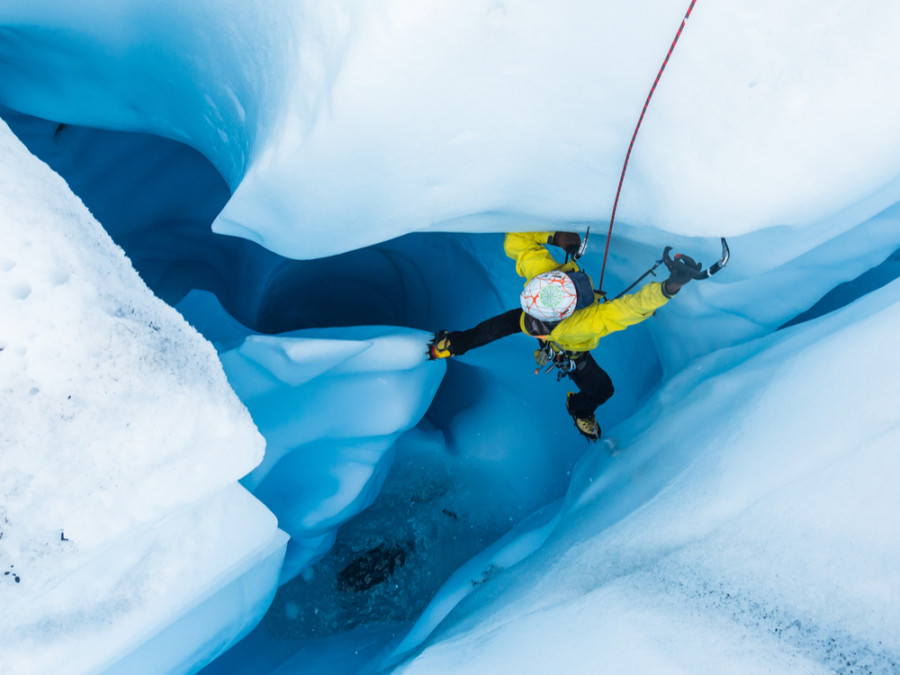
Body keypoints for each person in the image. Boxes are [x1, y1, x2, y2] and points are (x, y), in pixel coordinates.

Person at [427, 231, 699, 440]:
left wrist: (669, 287)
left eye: (539, 324)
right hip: (555, 332)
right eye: (533, 318)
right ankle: (454, 343)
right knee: (489, 331)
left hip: (571, 348)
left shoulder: (583, 323)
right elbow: (516, 241)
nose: (533, 326)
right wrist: (556, 238)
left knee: (603, 390)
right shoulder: (544, 277)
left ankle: (579, 408)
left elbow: (627, 310)